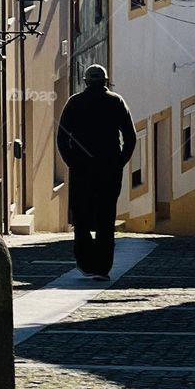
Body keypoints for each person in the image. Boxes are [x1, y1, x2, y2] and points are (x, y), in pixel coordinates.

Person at [56, 64, 136, 279]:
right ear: (106, 81)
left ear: (85, 81)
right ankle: (102, 267)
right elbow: (130, 137)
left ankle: (86, 262)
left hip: (82, 169)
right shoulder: (116, 101)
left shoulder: (74, 103)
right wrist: (120, 161)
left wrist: (72, 161)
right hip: (109, 169)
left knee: (81, 217)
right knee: (105, 217)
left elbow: (62, 138)